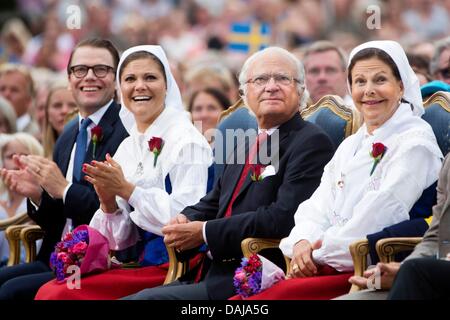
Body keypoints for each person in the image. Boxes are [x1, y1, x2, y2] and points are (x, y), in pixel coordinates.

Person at [122, 46, 335, 300]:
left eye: (282, 78)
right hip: (212, 272)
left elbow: (282, 218)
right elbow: (213, 202)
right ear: (245, 93)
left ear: (300, 90)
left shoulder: (310, 142)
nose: (271, 86)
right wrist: (184, 218)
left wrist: (203, 232)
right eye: (260, 79)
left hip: (260, 277)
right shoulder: (244, 144)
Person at [241, 40, 443, 300]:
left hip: (367, 268)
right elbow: (317, 205)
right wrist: (302, 241)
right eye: (360, 82)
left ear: (401, 85)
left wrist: (315, 253)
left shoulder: (416, 143)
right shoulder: (352, 143)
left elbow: (379, 215)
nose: (368, 91)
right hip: (322, 262)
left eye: (380, 80)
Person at [34, 45, 212, 300]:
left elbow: (185, 219)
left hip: (176, 264)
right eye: (130, 79)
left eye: (150, 78)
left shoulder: (187, 140)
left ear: (167, 86)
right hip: (136, 261)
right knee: (53, 290)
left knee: (59, 295)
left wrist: (128, 191)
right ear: (120, 88)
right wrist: (107, 201)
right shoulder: (129, 144)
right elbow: (118, 241)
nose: (139, 86)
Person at [0, 38, 128, 300]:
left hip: (96, 263)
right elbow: (58, 219)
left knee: (10, 292)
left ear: (115, 79)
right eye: (80, 70)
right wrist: (38, 195)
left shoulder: (126, 132)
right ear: (69, 79)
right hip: (56, 257)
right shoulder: (69, 133)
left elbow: (118, 212)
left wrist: (64, 189)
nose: (89, 77)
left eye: (100, 69)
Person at [338, 153, 450, 300]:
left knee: (413, 271)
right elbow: (437, 235)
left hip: (431, 272)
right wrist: (401, 269)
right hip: (435, 273)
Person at [0, 133, 43, 265]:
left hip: (28, 265)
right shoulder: (2, 199)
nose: (16, 161)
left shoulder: (40, 200)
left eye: (24, 155)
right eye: (9, 156)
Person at [188, 87, 231, 191]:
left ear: (226, 112)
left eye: (211, 108)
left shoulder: (235, 151)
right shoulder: (183, 150)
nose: (204, 115)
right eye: (198, 109)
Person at [302, 41, 353, 107]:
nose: (322, 78)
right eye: (314, 71)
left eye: (330, 70)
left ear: (346, 76)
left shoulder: (362, 115)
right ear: (303, 77)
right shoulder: (293, 115)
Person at [0, 64, 39, 136]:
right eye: (2, 89)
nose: (6, 94)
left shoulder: (37, 135)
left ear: (28, 100)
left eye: (14, 90)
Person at [42, 83, 78, 158]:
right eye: (57, 105)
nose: (64, 111)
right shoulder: (38, 154)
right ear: (47, 114)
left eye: (72, 105)